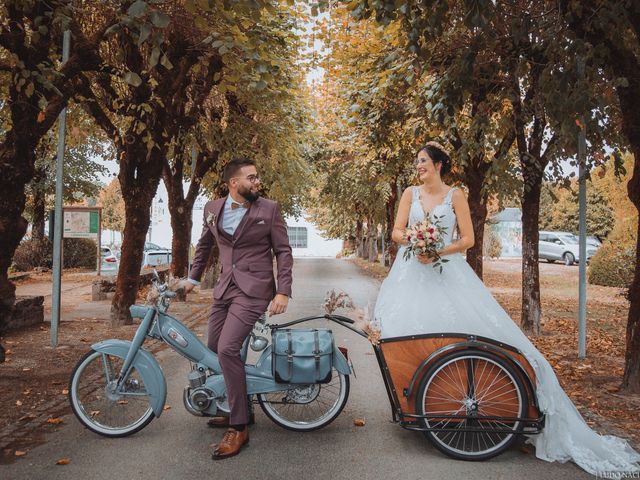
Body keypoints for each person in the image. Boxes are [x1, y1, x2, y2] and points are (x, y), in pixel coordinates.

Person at [373, 142, 640, 475]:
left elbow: (468, 239)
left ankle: (460, 396)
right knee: (406, 333)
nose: (418, 166)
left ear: (440, 165)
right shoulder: (409, 194)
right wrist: (415, 240)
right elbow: (397, 231)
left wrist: (439, 250)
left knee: (458, 327)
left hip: (445, 268)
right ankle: (426, 402)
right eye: (417, 161)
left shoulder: (455, 195)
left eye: (423, 160)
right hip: (411, 270)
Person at [181, 157, 293, 460]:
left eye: (257, 177)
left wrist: (283, 290)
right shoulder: (211, 209)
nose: (257, 182)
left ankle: (239, 425)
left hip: (254, 290)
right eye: (251, 178)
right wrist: (192, 278)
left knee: (229, 349)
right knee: (215, 347)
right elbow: (204, 245)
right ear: (234, 183)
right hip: (224, 288)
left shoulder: (268, 209)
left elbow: (283, 251)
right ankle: (240, 405)